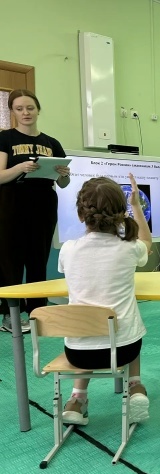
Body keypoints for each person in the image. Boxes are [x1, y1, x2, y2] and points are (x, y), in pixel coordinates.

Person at [58, 174, 152, 425]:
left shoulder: (68, 249)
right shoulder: (130, 248)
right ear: (122, 214)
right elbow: (146, 242)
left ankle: (77, 400)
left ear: (81, 214)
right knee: (129, 325)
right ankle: (135, 386)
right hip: (124, 350)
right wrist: (136, 206)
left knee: (88, 328)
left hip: (78, 353)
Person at [0, 89, 71, 333]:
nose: (25, 113)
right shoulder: (5, 138)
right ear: (13, 111)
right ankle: (10, 316)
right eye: (19, 109)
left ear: (38, 109)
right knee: (10, 260)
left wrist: (64, 175)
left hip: (44, 204)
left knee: (38, 260)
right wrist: (20, 167)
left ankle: (37, 312)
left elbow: (63, 184)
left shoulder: (52, 143)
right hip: (12, 203)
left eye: (30, 108)